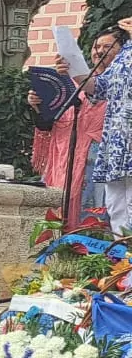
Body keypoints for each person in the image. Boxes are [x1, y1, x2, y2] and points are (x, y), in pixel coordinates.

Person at [30, 31, 122, 227]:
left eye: (107, 47)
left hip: (97, 161)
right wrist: (39, 104)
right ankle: (60, 248)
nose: (100, 51)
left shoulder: (119, 83)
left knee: (95, 214)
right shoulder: (70, 84)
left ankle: (93, 249)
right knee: (57, 210)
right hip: (64, 157)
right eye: (96, 47)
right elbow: (48, 123)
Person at [86, 17, 132, 233]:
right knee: (116, 209)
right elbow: (98, 87)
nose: (101, 51)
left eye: (107, 46)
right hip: (115, 146)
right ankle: (124, 264)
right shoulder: (119, 62)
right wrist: (73, 66)